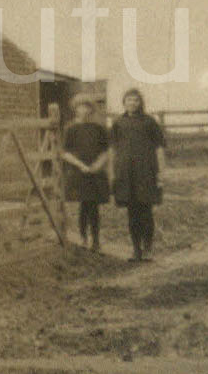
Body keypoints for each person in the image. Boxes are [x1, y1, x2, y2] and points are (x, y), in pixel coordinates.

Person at [110, 88, 166, 261]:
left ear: (140, 102)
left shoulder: (149, 122)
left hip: (146, 172)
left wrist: (161, 173)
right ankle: (136, 249)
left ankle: (148, 248)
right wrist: (113, 173)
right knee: (132, 212)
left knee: (146, 211)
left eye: (135, 100)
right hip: (126, 173)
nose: (132, 103)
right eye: (128, 100)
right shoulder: (118, 122)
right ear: (124, 102)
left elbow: (159, 148)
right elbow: (113, 150)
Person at [61, 97, 110, 251]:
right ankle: (83, 238)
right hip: (79, 171)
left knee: (94, 206)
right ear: (75, 109)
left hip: (95, 172)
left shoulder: (98, 128)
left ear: (91, 109)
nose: (83, 110)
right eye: (80, 107)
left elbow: (106, 150)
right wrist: (81, 165)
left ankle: (95, 240)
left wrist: (97, 165)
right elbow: (64, 152)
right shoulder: (70, 128)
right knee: (83, 205)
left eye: (87, 107)